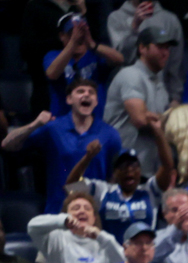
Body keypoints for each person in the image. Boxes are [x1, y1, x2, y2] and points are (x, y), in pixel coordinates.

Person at [3, 80, 123, 214]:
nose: (86, 95)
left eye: (91, 92)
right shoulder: (53, 128)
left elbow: (115, 176)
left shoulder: (110, 134)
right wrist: (35, 124)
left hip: (94, 213)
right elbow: (8, 145)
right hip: (58, 209)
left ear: (96, 101)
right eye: (80, 91)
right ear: (69, 99)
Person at [103, 27, 177, 183]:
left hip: (147, 168)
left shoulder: (158, 80)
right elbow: (141, 120)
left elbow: (157, 120)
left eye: (167, 48)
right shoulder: (131, 75)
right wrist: (179, 120)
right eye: (160, 47)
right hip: (124, 169)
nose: (165, 52)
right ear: (142, 48)